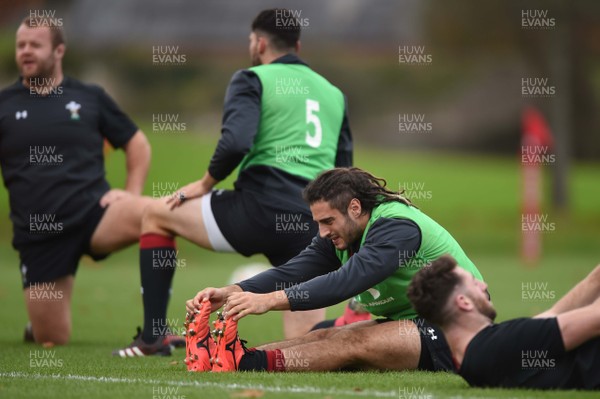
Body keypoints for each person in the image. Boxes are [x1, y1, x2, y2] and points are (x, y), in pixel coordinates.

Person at [114, 8, 353, 357]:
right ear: (297, 45)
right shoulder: (335, 94)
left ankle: (153, 337)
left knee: (155, 213)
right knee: (302, 346)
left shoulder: (252, 78)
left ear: (258, 43)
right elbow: (344, 171)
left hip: (253, 212)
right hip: (309, 224)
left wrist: (205, 183)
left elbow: (236, 142)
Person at [183, 167, 485, 372]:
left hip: (455, 328)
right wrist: (233, 291)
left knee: (352, 342)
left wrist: (269, 301)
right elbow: (294, 271)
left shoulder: (396, 227)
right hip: (414, 322)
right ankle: (228, 358)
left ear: (355, 208)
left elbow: (347, 281)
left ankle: (249, 365)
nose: (323, 232)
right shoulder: (343, 234)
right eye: (318, 222)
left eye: (328, 221)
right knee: (322, 337)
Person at [0, 17, 161, 347]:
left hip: (96, 215)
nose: (26, 51)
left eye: (35, 44)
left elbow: (137, 144)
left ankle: (155, 333)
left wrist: (130, 195)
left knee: (159, 214)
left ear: (59, 50)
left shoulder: (90, 97)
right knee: (52, 338)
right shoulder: (4, 105)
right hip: (40, 236)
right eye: (20, 45)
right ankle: (39, 322)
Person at [407, 255, 600, 389]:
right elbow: (595, 318)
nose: (484, 285)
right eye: (474, 283)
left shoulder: (474, 357)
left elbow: (553, 314)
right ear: (464, 302)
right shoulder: (496, 345)